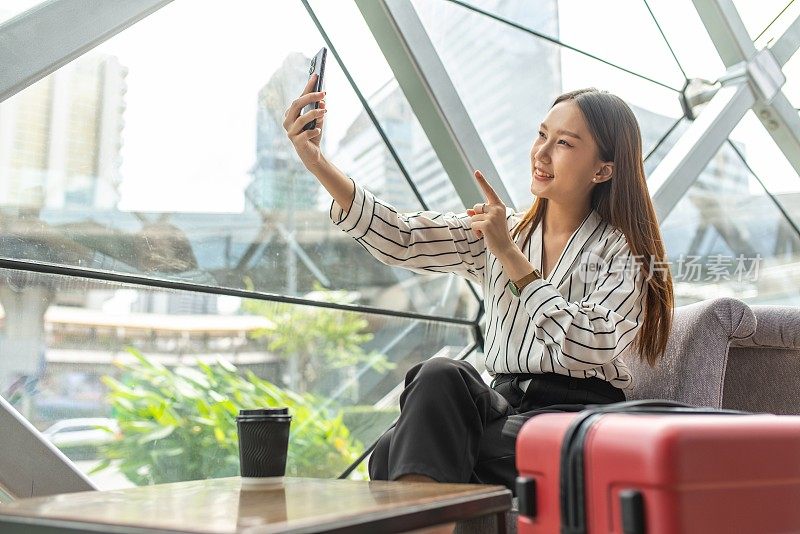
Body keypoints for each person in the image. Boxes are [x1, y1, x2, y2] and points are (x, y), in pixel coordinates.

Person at [284, 73, 674, 493]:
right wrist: (316, 162)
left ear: (603, 169)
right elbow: (402, 237)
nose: (541, 153)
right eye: (542, 135)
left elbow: (589, 342)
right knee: (437, 374)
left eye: (564, 143)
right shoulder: (504, 229)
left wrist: (510, 256)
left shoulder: (624, 252)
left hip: (575, 417)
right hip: (503, 408)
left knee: (399, 450)